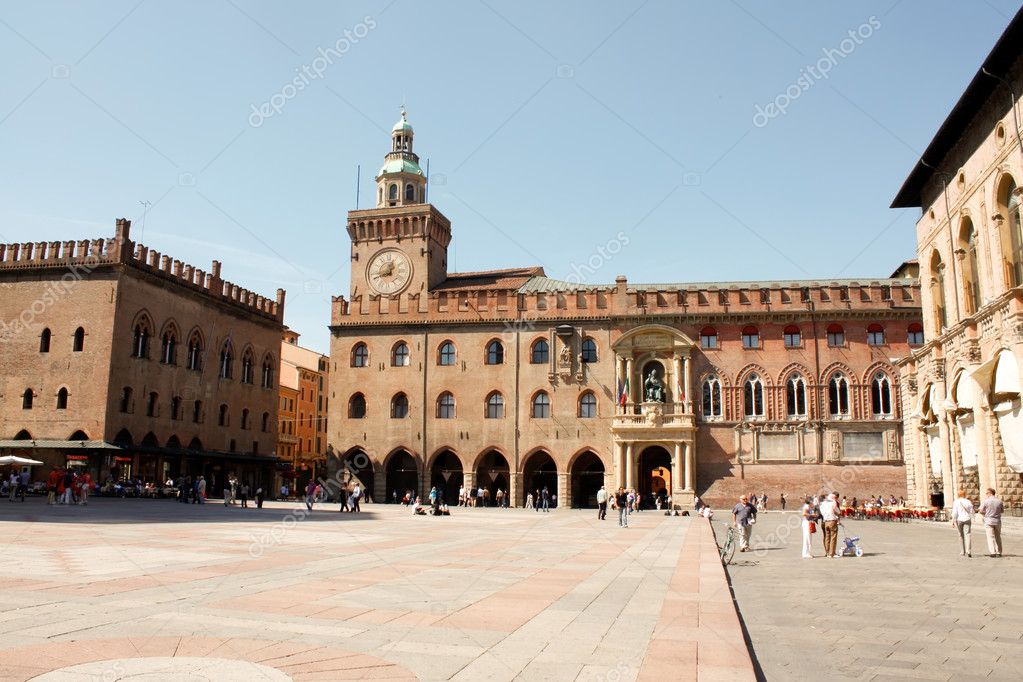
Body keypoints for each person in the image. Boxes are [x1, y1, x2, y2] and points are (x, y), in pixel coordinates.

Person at [978, 488, 1004, 557]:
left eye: (986, 493)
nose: (986, 495)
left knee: (990, 537)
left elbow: (980, 511)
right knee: (998, 536)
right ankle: (999, 552)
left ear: (990, 493)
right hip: (997, 521)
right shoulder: (999, 501)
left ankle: (993, 552)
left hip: (988, 521)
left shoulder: (986, 501)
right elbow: (1002, 511)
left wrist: (986, 513)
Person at [951, 489, 974, 558]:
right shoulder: (968, 501)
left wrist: (953, 520)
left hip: (959, 519)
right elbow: (972, 511)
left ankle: (962, 551)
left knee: (960, 535)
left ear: (958, 495)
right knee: (968, 534)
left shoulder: (956, 502)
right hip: (967, 519)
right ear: (964, 494)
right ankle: (969, 551)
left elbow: (955, 512)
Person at [820, 492, 840, 558]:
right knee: (833, 537)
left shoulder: (823, 503)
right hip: (832, 521)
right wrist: (838, 513)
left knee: (827, 537)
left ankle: (827, 552)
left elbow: (822, 512)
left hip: (826, 521)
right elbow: (836, 510)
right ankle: (832, 553)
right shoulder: (833, 502)